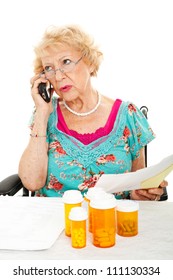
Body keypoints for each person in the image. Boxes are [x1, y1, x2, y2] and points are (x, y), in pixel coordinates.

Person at [18, 24, 167, 200]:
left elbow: (138, 186)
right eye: (49, 68)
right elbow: (32, 183)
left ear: (89, 62)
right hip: (53, 221)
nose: (58, 77)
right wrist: (42, 114)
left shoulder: (129, 116)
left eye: (66, 62)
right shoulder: (45, 114)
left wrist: (143, 194)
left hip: (109, 222)